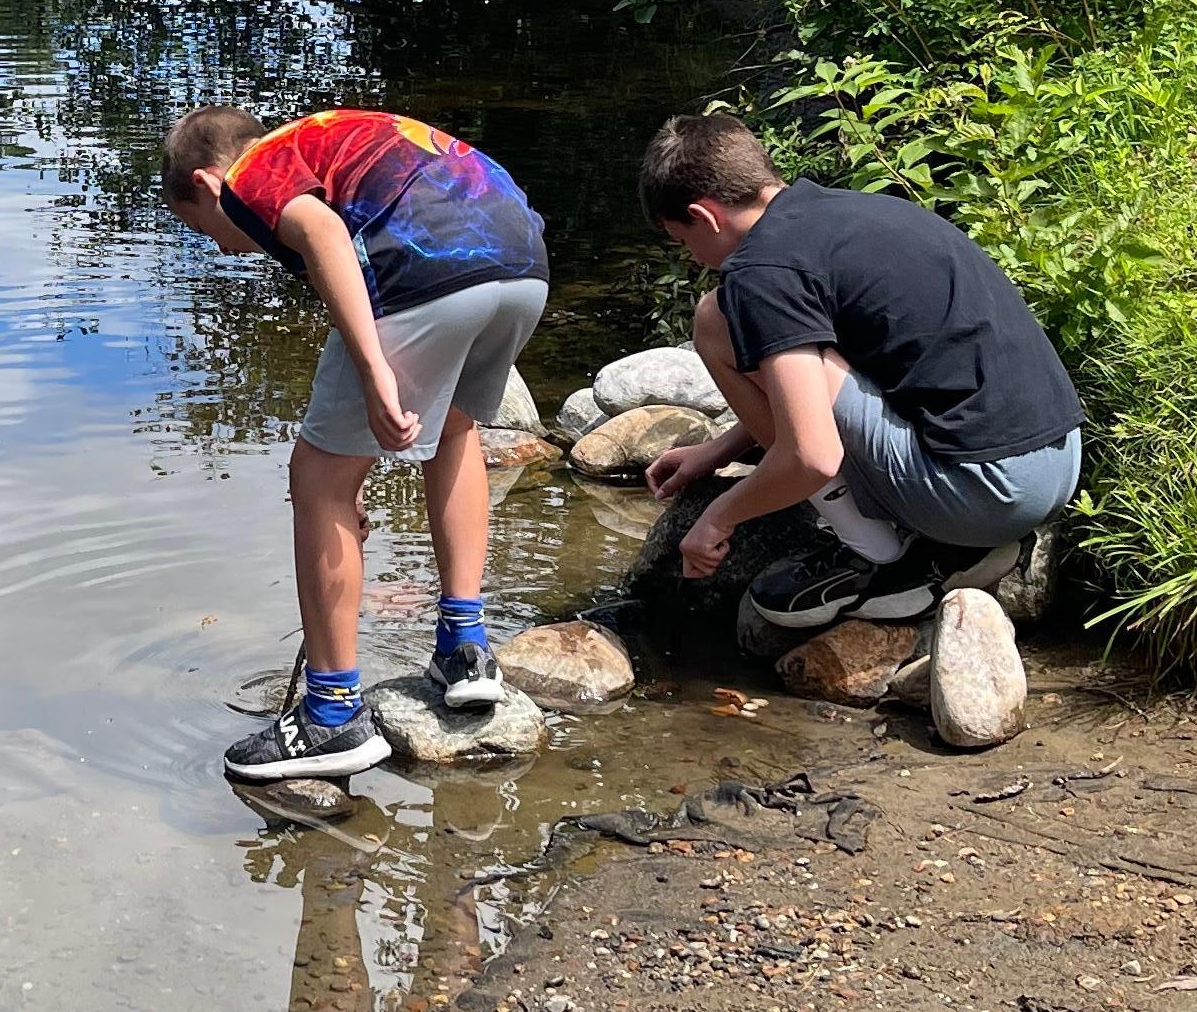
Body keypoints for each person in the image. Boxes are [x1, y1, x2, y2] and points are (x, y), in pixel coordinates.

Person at [162, 106, 550, 780]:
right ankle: (466, 651)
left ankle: (332, 717)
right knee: (456, 434)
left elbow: (327, 235)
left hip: (425, 274)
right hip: (520, 264)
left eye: (202, 228)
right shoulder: (325, 141)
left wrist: (374, 375)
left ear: (205, 183)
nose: (222, 248)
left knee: (316, 480)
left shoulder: (254, 173)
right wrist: (358, 473)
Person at [637, 111, 1082, 646]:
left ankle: (875, 550)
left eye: (680, 240)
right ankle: (943, 537)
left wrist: (717, 518)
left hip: (988, 493)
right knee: (770, 336)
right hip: (1059, 460)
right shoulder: (853, 212)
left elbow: (813, 456)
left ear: (704, 217)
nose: (691, 257)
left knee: (715, 320)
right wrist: (721, 449)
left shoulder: (762, 272)